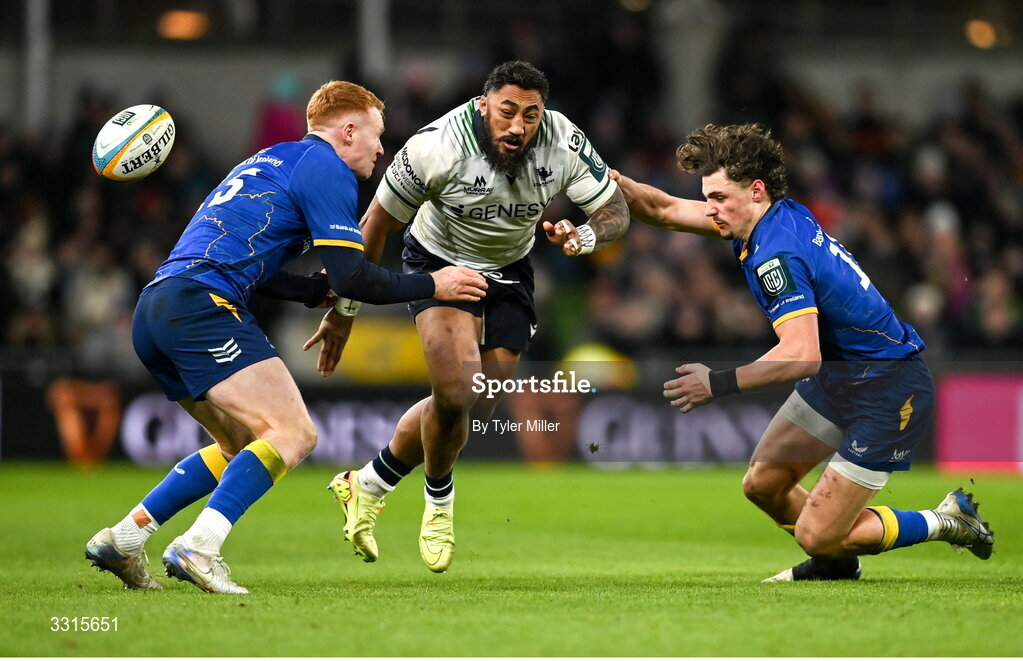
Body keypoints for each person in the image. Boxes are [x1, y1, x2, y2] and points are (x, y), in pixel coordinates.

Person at [85, 80, 487, 594]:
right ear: (347, 132)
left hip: (158, 306)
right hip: (201, 307)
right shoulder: (329, 170)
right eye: (377, 135)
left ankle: (123, 537)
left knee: (238, 445)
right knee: (294, 433)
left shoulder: (268, 159)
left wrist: (306, 291)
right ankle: (200, 546)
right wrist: (436, 282)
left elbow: (246, 259)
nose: (382, 148)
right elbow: (354, 276)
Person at [611, 123, 994, 581]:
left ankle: (948, 519)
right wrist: (609, 182)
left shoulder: (777, 254)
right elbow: (667, 208)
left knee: (817, 533)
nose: (710, 210)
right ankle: (836, 567)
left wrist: (716, 383)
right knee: (764, 485)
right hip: (840, 378)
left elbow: (800, 355)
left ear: (755, 191)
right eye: (707, 197)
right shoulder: (777, 213)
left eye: (718, 198)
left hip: (888, 388)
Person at [308, 61, 630, 572]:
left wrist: (586, 235)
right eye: (507, 112)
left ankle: (367, 483)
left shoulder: (563, 140)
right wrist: (345, 310)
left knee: (472, 401)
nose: (518, 126)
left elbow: (615, 208)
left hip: (510, 268)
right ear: (485, 107)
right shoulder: (436, 148)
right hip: (440, 263)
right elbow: (376, 224)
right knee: (456, 390)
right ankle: (438, 504)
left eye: (530, 115)